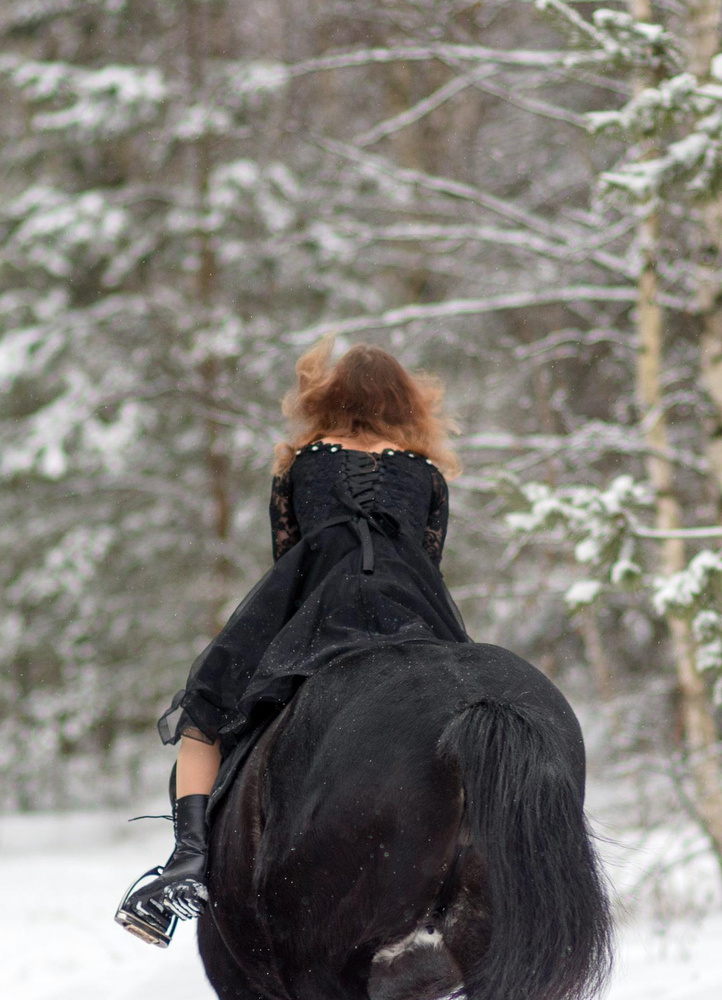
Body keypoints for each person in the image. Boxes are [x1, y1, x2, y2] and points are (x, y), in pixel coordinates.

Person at [117, 339, 469, 946]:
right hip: (411, 606)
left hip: (316, 602)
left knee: (206, 714)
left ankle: (187, 862)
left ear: (325, 399)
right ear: (408, 404)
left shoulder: (302, 463)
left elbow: (288, 551)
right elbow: (428, 558)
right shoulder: (427, 476)